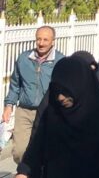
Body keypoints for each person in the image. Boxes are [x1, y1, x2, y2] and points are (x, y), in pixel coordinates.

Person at [3, 26, 61, 170]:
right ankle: (27, 172)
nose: (41, 43)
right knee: (19, 151)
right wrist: (9, 105)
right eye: (38, 39)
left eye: (45, 40)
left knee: (46, 148)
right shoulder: (24, 59)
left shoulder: (60, 61)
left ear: (53, 41)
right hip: (25, 110)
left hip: (48, 111)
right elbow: (15, 84)